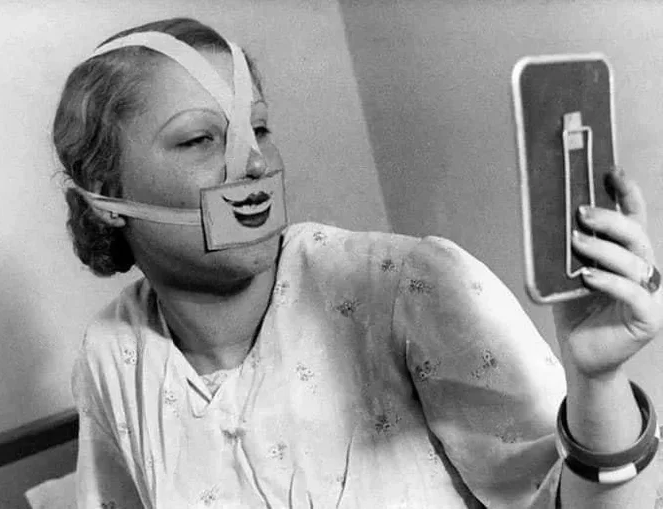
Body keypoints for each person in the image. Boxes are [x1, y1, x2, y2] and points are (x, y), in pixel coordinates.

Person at [54, 17, 663, 508]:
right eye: (199, 139)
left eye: (259, 129)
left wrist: (598, 382)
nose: (256, 164)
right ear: (105, 194)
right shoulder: (113, 355)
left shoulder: (407, 285)